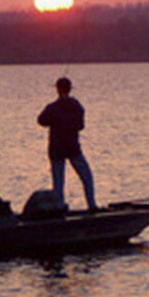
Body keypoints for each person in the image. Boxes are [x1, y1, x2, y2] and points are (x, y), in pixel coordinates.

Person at [37, 77, 97, 211]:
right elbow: (81, 126)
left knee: (58, 182)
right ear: (70, 89)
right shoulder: (76, 106)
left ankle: (59, 209)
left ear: (57, 90)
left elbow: (41, 121)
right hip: (72, 148)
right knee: (86, 176)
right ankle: (92, 205)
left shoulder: (52, 107)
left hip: (56, 149)